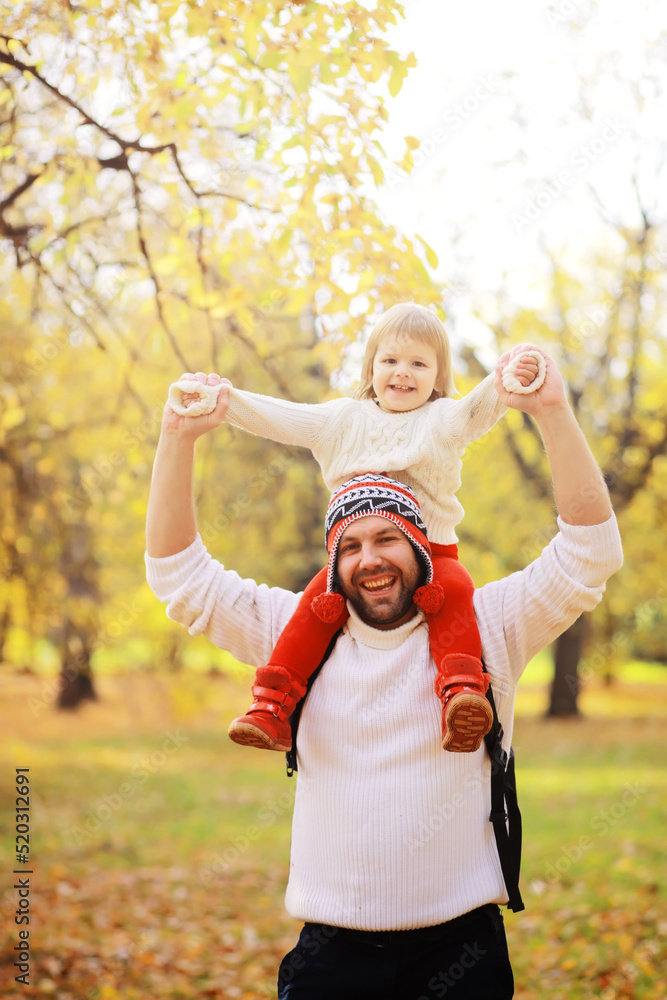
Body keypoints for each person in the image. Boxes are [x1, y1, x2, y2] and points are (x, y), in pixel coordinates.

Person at [145, 348, 622, 999]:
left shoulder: (490, 627)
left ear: (421, 546)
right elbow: (180, 579)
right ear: (332, 561)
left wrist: (550, 411)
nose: (370, 559)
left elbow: (587, 555)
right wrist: (177, 438)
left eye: (387, 538)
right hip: (333, 962)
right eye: (351, 545)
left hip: (460, 955)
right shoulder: (294, 632)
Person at [167, 303, 545, 756]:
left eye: (418, 364)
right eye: (390, 361)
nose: (402, 373)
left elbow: (483, 405)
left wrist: (510, 375)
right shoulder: (341, 421)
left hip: (434, 552)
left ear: (439, 378)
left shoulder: (443, 419)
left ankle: (461, 691)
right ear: (371, 367)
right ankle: (272, 704)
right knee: (316, 606)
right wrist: (225, 402)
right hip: (354, 559)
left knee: (454, 589)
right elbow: (279, 417)